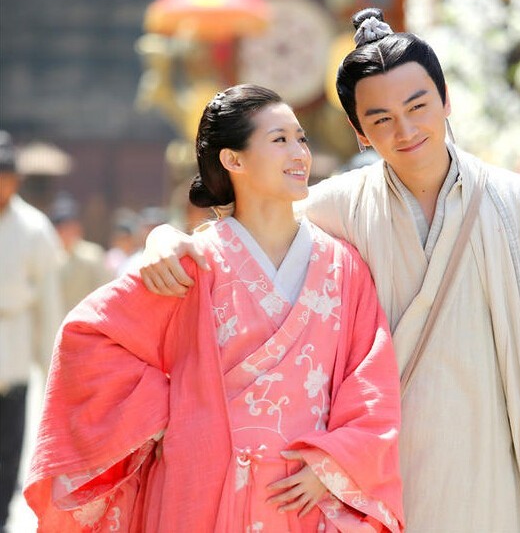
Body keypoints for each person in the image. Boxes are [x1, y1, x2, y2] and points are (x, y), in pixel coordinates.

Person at [139, 9, 520, 532]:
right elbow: (241, 234)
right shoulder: (337, 208)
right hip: (380, 482)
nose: (406, 130)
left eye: (418, 106)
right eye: (381, 119)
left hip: (504, 470)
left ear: (446, 100)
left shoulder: (519, 205)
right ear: (359, 131)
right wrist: (163, 239)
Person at [24, 85, 404, 532]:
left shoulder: (343, 266)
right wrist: (177, 411)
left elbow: (371, 378)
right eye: (280, 139)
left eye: (300, 138)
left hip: (304, 495)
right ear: (233, 160)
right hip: (200, 486)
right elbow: (87, 337)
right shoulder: (191, 261)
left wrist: (334, 464)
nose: (299, 152)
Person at [0, 130, 64, 528]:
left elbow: (48, 302)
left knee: (9, 446)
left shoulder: (34, 227)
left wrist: (51, 366)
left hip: (14, 349)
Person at [49, 194, 113, 313]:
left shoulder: (93, 254)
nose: (66, 230)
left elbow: (105, 291)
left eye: (69, 225)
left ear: (77, 227)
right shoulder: (49, 256)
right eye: (61, 227)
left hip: (87, 317)